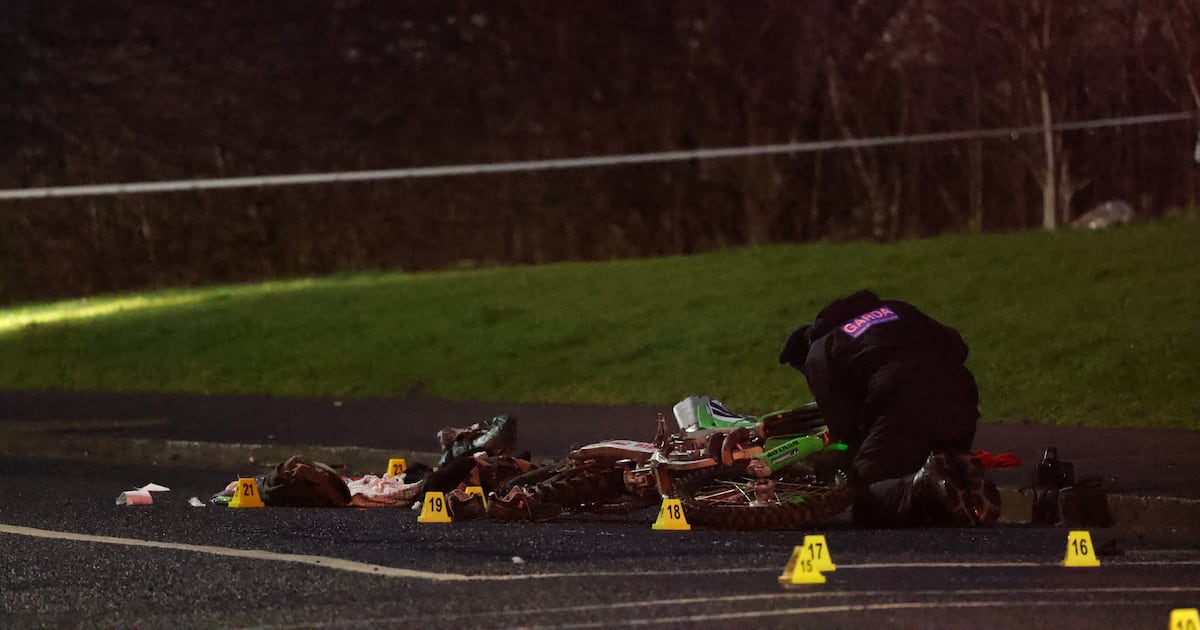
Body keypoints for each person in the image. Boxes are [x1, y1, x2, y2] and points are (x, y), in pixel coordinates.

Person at [777, 289, 1001, 527]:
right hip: (960, 394)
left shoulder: (819, 350)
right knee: (928, 464)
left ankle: (924, 485)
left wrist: (836, 464)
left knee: (863, 497)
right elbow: (957, 344)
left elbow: (845, 430)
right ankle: (959, 479)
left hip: (903, 403)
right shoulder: (896, 308)